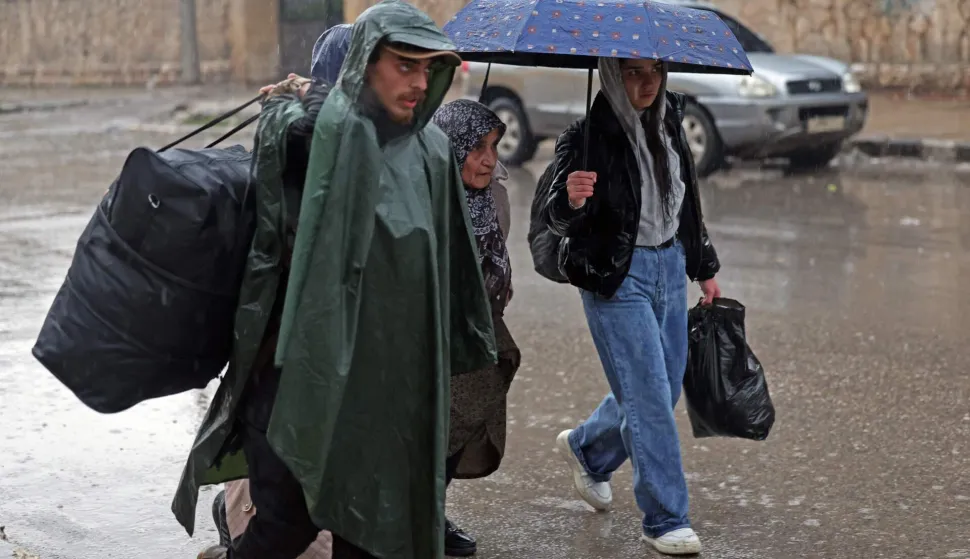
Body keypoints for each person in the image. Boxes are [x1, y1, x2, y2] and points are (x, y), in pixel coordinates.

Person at [173, 2, 497, 558]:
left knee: (367, 529)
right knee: (286, 526)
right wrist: (315, 101)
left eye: (428, 68)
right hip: (296, 376)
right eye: (403, 65)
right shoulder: (306, 133)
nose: (418, 83)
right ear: (365, 64)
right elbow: (315, 154)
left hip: (383, 388)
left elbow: (446, 266)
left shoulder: (431, 153)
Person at [546, 56, 722, 556]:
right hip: (615, 276)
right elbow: (554, 215)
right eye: (632, 72)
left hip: (670, 264)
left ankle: (589, 449)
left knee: (659, 393)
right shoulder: (586, 136)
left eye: (655, 71)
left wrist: (703, 264)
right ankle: (665, 517)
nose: (647, 83)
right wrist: (572, 199)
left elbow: (685, 201)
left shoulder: (670, 119)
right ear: (609, 74)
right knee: (647, 397)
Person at [431, 100, 522, 557]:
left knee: (462, 416)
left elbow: (499, 251)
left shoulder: (491, 194)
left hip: (482, 320)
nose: (490, 159)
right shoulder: (429, 200)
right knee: (433, 423)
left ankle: (430, 511)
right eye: (478, 148)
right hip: (437, 327)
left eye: (494, 146)